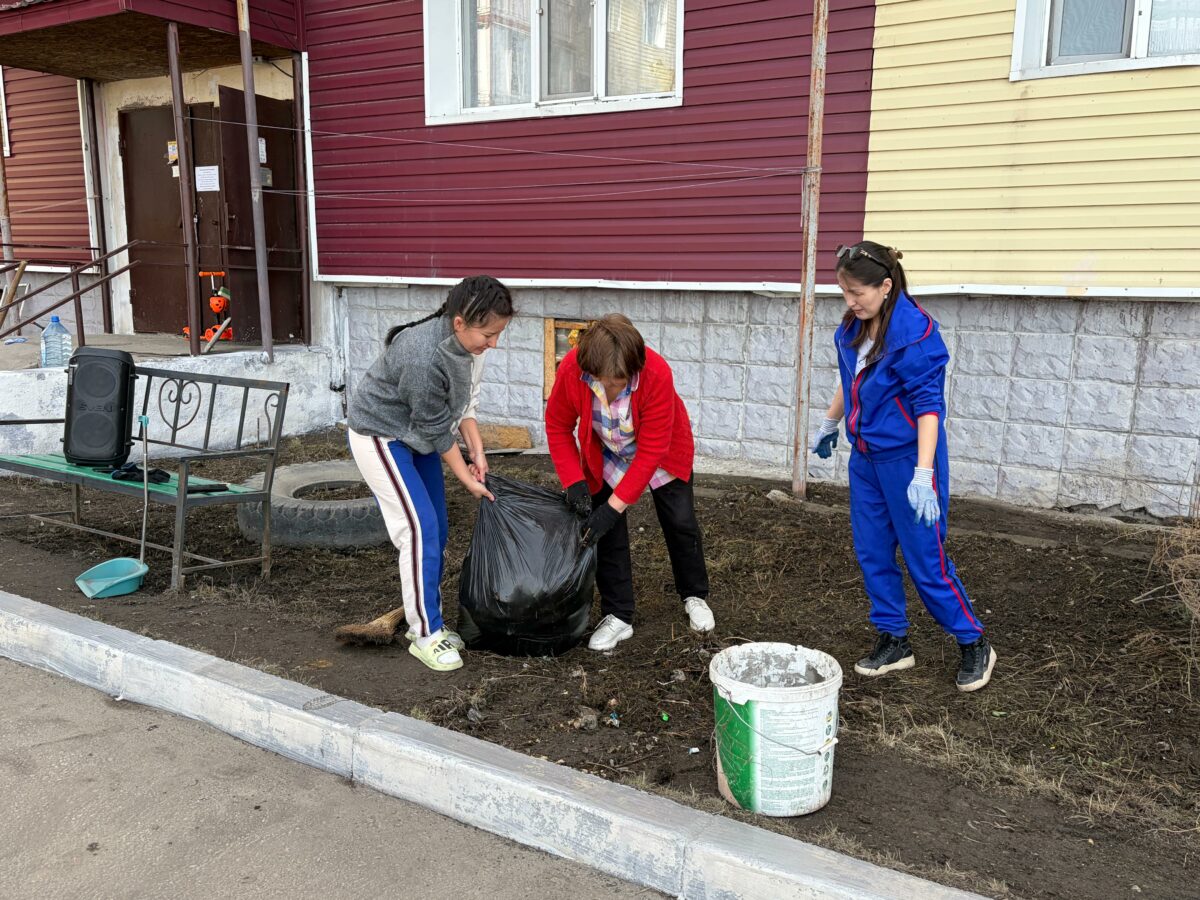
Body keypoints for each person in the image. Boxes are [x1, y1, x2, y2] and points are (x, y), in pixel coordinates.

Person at [810, 241, 996, 692]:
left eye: (858, 293)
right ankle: (895, 639)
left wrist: (923, 473)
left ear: (886, 286)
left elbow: (930, 409)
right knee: (872, 551)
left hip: (909, 462)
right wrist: (831, 421)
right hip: (867, 460)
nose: (850, 303)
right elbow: (851, 377)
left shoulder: (916, 336)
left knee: (924, 558)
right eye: (844, 293)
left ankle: (974, 641)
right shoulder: (856, 326)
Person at [346, 275, 512, 672]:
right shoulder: (423, 355)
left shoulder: (471, 346)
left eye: (498, 334)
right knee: (417, 530)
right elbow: (438, 428)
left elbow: (463, 406)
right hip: (381, 435)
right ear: (459, 323)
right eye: (488, 335)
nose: (494, 343)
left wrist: (478, 451)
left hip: (417, 435)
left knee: (436, 526)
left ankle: (425, 618)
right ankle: (425, 633)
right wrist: (465, 476)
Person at [545, 314, 715, 651]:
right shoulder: (572, 370)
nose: (610, 390)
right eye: (603, 382)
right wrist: (574, 480)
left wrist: (612, 507)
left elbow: (651, 451)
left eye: (619, 382)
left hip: (661, 450)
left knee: (680, 522)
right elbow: (557, 425)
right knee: (606, 533)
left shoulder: (656, 372)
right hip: (607, 452)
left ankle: (694, 594)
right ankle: (618, 614)